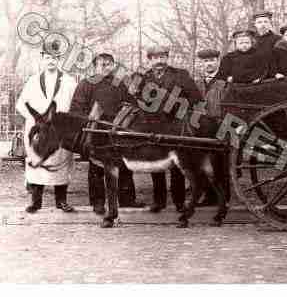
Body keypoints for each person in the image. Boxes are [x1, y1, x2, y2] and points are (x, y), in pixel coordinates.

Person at [70, 53, 145, 214]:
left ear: (113, 66)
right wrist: (90, 120)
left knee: (123, 164)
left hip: (117, 132)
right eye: (101, 64)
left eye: (109, 64)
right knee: (97, 168)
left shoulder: (120, 85)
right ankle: (98, 203)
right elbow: (76, 109)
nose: (105, 67)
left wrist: (125, 117)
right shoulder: (85, 84)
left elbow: (131, 104)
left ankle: (127, 199)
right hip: (96, 132)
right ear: (95, 66)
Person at [15, 41, 77, 213]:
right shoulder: (33, 80)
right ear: (42, 58)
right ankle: (36, 202)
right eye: (48, 57)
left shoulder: (69, 81)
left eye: (55, 57)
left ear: (60, 60)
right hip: (37, 129)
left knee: (61, 162)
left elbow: (76, 106)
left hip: (59, 131)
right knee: (37, 162)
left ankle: (61, 201)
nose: (51, 60)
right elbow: (21, 104)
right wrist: (33, 120)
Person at [143, 45, 203, 213]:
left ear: (167, 58)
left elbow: (196, 98)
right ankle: (159, 201)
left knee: (178, 164)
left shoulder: (180, 75)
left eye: (162, 57)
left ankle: (179, 202)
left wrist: (185, 115)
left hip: (176, 126)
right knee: (156, 164)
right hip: (152, 127)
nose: (159, 61)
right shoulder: (145, 78)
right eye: (155, 58)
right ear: (150, 60)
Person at [195, 48, 230, 206]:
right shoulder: (197, 83)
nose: (208, 64)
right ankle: (209, 197)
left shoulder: (225, 82)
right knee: (204, 162)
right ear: (201, 64)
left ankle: (223, 198)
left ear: (218, 62)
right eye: (205, 61)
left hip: (219, 125)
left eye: (211, 61)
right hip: (201, 127)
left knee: (220, 163)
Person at [252, 11, 282, 78]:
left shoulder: (278, 39)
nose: (263, 24)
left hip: (274, 76)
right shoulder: (250, 40)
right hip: (255, 76)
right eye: (259, 22)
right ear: (255, 24)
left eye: (265, 22)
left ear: (270, 23)